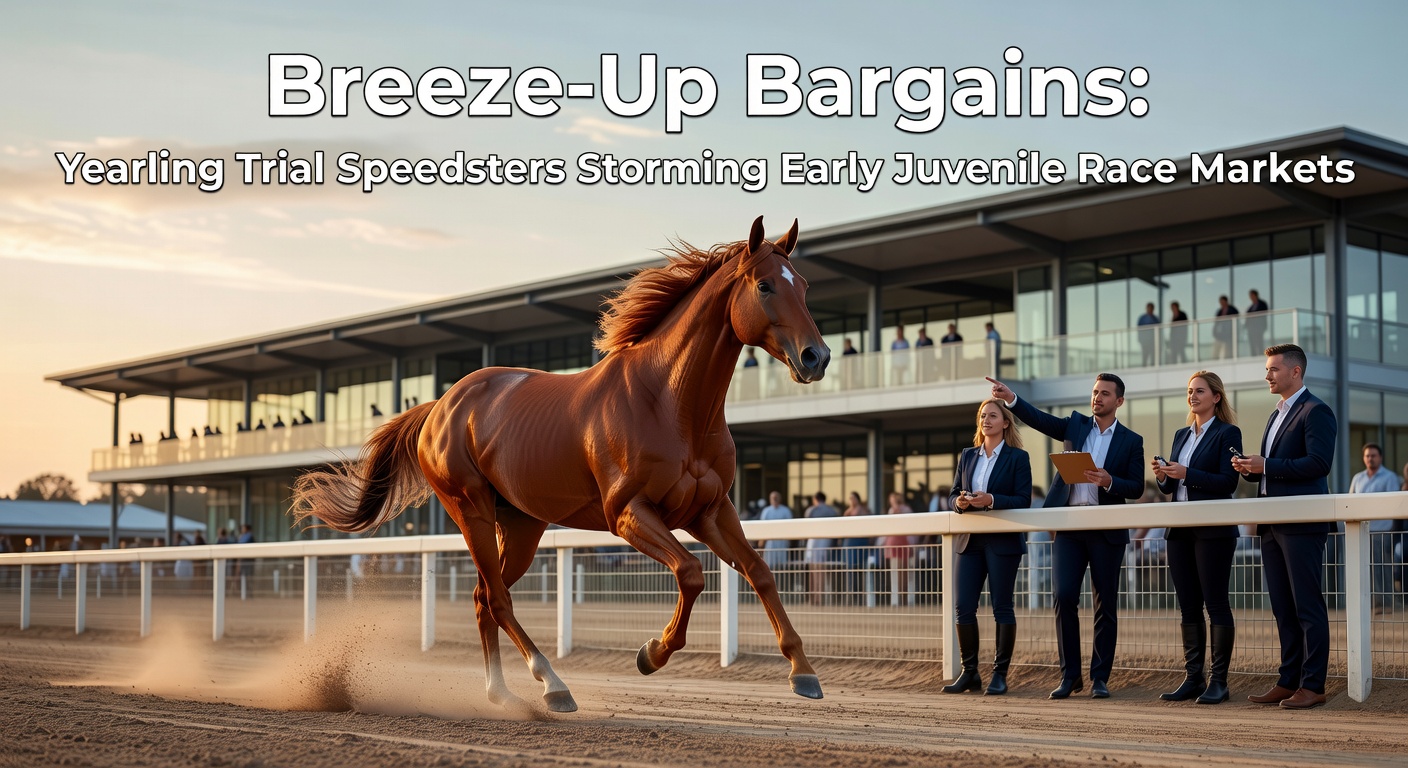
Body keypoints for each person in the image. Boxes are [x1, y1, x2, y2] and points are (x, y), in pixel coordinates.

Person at [988, 373, 1144, 700]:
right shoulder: (1075, 425)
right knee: (1064, 597)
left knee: (1105, 605)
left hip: (1107, 529)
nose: (1097, 397)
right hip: (1069, 527)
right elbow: (1040, 420)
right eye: (1095, 392)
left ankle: (1100, 678)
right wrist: (1011, 398)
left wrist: (1109, 480)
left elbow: (1137, 486)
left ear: (1119, 401)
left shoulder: (1132, 440)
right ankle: (1069, 675)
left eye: (1104, 393)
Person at [1231, 343, 1336, 710]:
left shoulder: (1316, 410)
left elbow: (1319, 464)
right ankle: (1289, 679)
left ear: (1295, 372)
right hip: (1272, 522)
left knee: (1307, 605)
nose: (1267, 375)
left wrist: (1267, 466)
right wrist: (1252, 470)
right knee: (1282, 606)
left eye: (1274, 368)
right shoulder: (1276, 414)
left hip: (1302, 523)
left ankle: (1313, 684)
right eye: (1267, 369)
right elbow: (1273, 469)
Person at [1150, 371, 1243, 705]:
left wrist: (1186, 472)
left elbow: (1227, 483)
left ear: (1216, 396)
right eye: (1190, 391)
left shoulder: (1228, 432)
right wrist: (1164, 475)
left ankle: (1219, 682)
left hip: (1213, 530)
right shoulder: (1180, 434)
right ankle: (1193, 678)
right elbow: (1173, 488)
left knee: (1215, 603)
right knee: (1188, 605)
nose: (1193, 396)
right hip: (1179, 529)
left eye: (1199, 391)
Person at [942, 398, 1032, 696]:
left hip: (1002, 541)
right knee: (963, 606)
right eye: (982, 415)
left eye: (992, 415)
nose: (986, 420)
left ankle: (999, 674)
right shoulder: (968, 455)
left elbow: (1023, 500)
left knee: (1001, 607)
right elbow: (953, 494)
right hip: (970, 540)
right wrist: (960, 502)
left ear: (1005, 422)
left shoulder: (1019, 458)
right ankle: (970, 673)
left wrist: (990, 500)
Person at [1349, 443, 1402, 614]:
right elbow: (1350, 501)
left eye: (1373, 455)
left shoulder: (1389, 477)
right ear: (1364, 458)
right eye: (1367, 456)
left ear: (1380, 457)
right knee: (1365, 568)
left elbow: (1393, 504)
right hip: (1361, 531)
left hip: (1382, 530)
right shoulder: (1358, 478)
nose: (1370, 458)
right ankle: (1372, 604)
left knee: (1383, 567)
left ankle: (1387, 604)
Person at [879, 492, 916, 605]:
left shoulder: (906, 509)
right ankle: (896, 598)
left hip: (904, 542)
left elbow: (908, 524)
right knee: (894, 571)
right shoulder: (891, 510)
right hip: (893, 542)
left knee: (904, 571)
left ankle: (904, 598)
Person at [804, 492, 840, 605]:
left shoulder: (812, 510)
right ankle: (820, 597)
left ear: (815, 499)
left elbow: (806, 524)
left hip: (813, 540)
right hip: (826, 540)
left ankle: (813, 598)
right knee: (822, 570)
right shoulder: (832, 511)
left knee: (813, 570)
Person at [841, 491, 872, 596]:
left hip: (859, 541)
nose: (851, 500)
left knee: (860, 567)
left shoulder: (863, 510)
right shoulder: (849, 511)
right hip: (850, 542)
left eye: (853, 498)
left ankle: (861, 593)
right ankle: (851, 592)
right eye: (850, 498)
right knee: (849, 568)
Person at [758, 491, 793, 575]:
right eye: (773, 498)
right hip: (770, 541)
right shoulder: (766, 511)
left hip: (782, 541)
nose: (775, 499)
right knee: (769, 564)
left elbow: (790, 527)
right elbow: (763, 527)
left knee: (782, 565)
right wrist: (761, 541)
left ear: (780, 499)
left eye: (776, 497)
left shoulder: (786, 511)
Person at [1246, 289, 1270, 353]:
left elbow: (1264, 313)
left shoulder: (1262, 304)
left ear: (1255, 295)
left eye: (1251, 295)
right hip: (1251, 329)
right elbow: (1247, 318)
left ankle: (1260, 353)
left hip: (1259, 327)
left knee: (1259, 342)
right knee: (1252, 343)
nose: (1250, 297)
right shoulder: (1250, 308)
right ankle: (1253, 355)